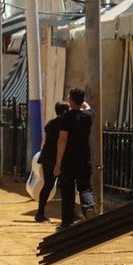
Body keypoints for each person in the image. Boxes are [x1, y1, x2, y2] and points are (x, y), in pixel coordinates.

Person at [54, 87, 95, 227]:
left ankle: (67, 222)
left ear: (70, 101)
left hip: (68, 160)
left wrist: (58, 163)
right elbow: (87, 107)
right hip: (84, 158)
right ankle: (88, 207)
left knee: (67, 191)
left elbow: (62, 140)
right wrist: (82, 102)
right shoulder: (88, 116)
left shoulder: (66, 118)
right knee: (85, 187)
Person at [34, 103, 68, 222]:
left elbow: (45, 141)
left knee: (48, 185)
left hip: (47, 158)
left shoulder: (50, 124)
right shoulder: (65, 124)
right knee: (67, 186)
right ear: (65, 111)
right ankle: (70, 213)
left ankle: (40, 213)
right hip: (58, 158)